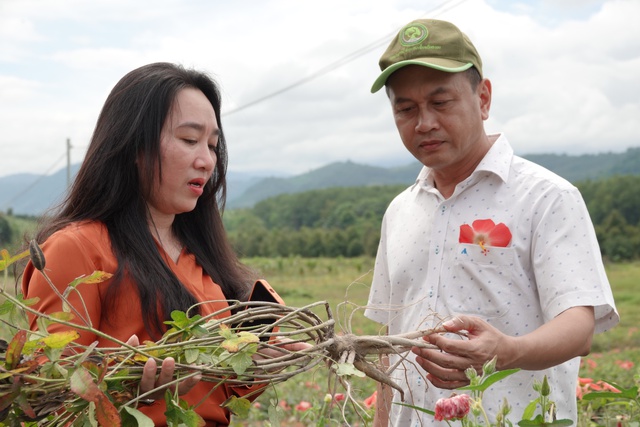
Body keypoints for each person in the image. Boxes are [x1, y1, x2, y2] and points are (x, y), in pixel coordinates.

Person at [364, 19, 619, 425]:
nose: (424, 122)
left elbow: (579, 327)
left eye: (441, 102)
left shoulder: (546, 197)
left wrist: (505, 351)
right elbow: (387, 342)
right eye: (406, 109)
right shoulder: (399, 211)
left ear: (483, 98)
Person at [21, 62, 303, 426]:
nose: (206, 160)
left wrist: (262, 364)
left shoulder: (202, 259)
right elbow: (51, 395)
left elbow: (222, 396)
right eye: (189, 140)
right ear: (134, 145)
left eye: (213, 145)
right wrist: (127, 392)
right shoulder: (76, 250)